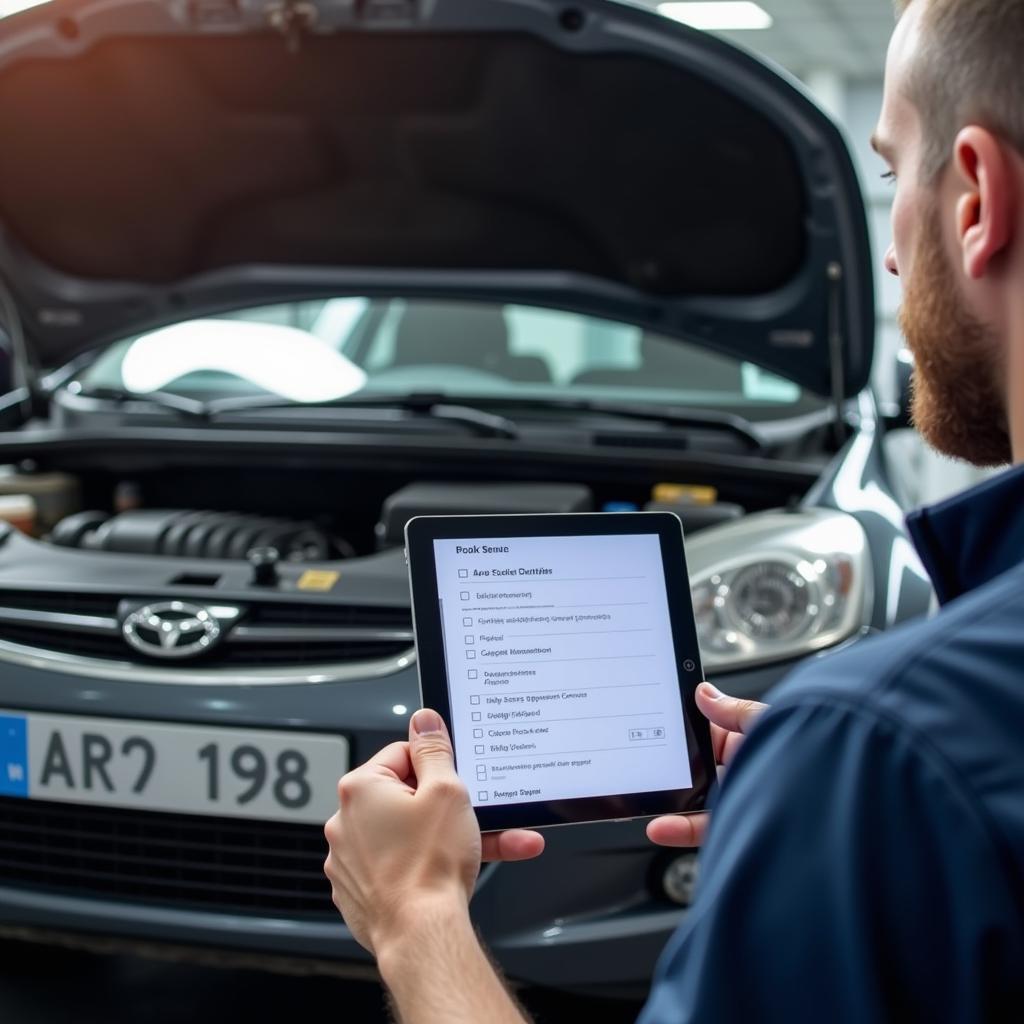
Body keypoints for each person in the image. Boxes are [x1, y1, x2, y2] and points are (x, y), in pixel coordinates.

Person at [324, 0, 1024, 1018]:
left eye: (890, 171)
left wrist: (415, 915)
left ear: (972, 199)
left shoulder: (884, 754)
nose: (886, 249)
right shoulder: (893, 752)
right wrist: (826, 796)